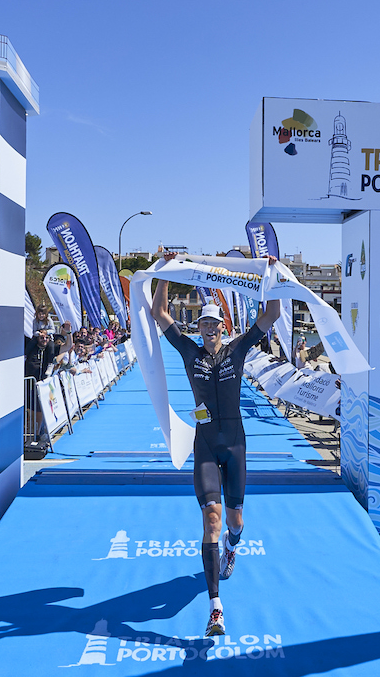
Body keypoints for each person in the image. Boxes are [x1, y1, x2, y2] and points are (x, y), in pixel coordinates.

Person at [150, 251, 280, 638]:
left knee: (235, 522)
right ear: (199, 326)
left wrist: (270, 273)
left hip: (235, 445)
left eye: (214, 324)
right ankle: (216, 608)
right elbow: (159, 313)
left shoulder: (236, 350)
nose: (209, 329)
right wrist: (164, 272)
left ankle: (232, 547)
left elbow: (270, 315)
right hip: (205, 445)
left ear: (222, 327)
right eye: (204, 323)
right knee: (211, 518)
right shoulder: (189, 352)